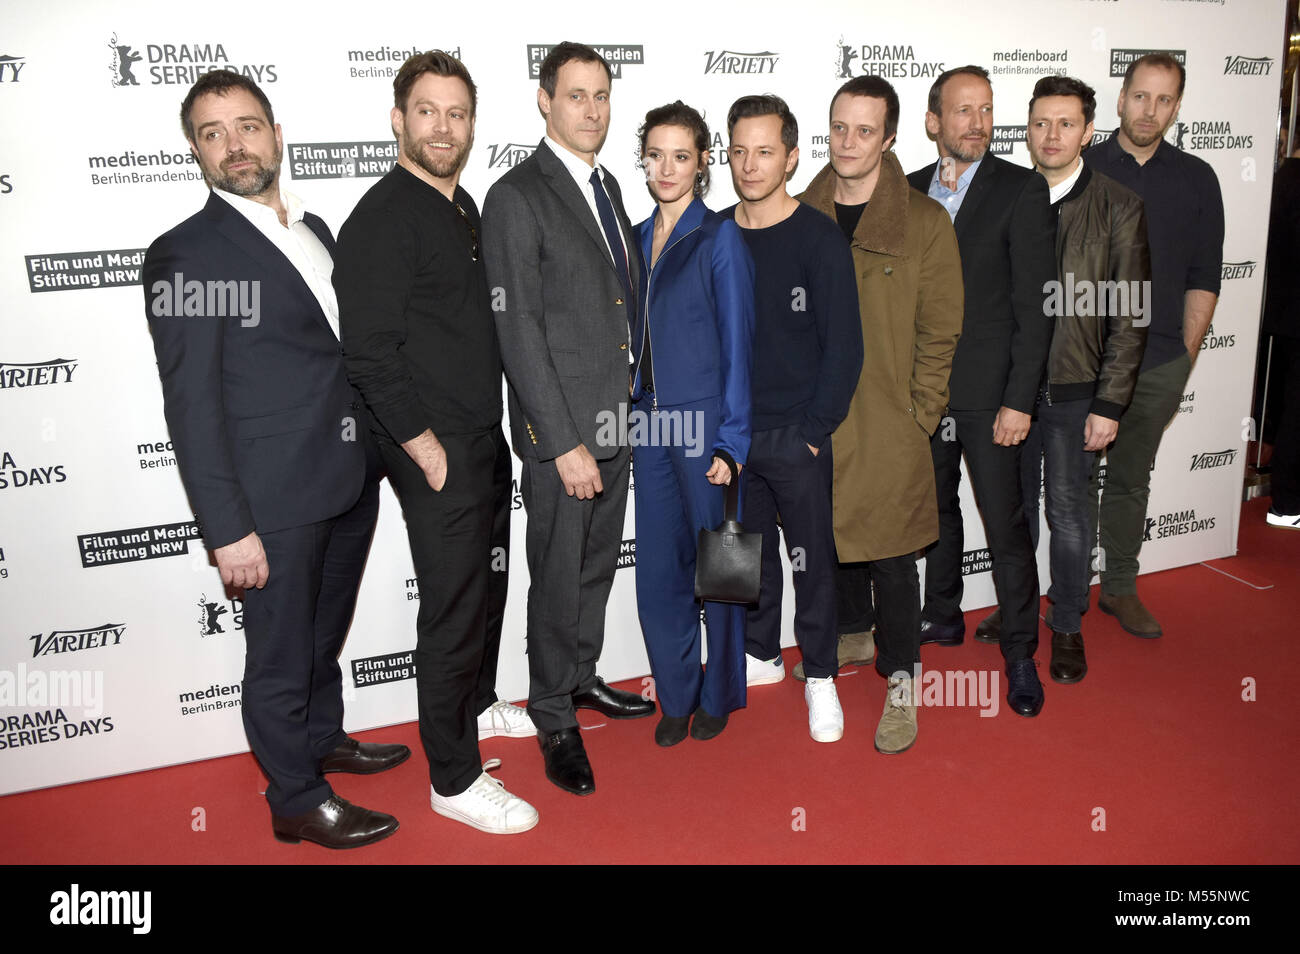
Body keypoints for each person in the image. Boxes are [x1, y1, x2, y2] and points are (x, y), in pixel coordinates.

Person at [143, 70, 406, 849]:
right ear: (195, 150)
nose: (235, 145)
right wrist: (228, 529)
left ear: (276, 133)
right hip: (273, 500)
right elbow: (190, 407)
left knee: (323, 633)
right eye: (213, 132)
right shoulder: (185, 256)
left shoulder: (313, 230)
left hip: (348, 479)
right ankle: (294, 796)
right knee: (280, 653)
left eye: (248, 125)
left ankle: (320, 738)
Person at [334, 51, 537, 834]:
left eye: (457, 113)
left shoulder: (465, 206)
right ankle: (451, 779)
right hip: (435, 448)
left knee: (486, 590)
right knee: (451, 611)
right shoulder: (382, 217)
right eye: (427, 111)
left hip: (481, 437)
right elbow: (370, 352)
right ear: (398, 120)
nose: (443, 127)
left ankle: (479, 705)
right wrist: (421, 443)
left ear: (472, 124)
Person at [481, 42, 654, 797]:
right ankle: (552, 710)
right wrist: (560, 442)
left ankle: (581, 677)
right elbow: (517, 331)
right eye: (576, 95)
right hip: (567, 439)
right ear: (545, 102)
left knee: (592, 566)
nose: (591, 110)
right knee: (555, 574)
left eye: (602, 96)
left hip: (617, 425)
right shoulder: (517, 196)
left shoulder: (608, 185)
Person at [798, 75, 963, 752]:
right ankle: (851, 633)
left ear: (891, 137)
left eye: (865, 130)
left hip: (890, 422)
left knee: (895, 558)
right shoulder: (797, 212)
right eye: (840, 127)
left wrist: (920, 413)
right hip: (816, 419)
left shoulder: (924, 221)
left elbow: (942, 328)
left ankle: (903, 681)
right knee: (831, 541)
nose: (849, 142)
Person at [906, 65, 1056, 717]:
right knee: (934, 513)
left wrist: (1019, 400)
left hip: (992, 394)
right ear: (934, 120)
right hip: (921, 393)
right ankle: (942, 616)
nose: (977, 123)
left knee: (1007, 524)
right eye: (962, 111)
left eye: (986, 110)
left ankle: (1021, 651)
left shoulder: (1021, 190)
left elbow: (1035, 306)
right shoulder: (905, 188)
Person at [724, 94, 863, 743]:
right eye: (739, 151)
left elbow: (845, 345)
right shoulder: (712, 235)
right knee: (737, 555)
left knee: (812, 562)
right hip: (731, 436)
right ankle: (756, 655)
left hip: (796, 434)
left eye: (765, 151)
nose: (750, 165)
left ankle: (822, 675)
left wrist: (813, 433)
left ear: (790, 157)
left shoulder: (817, 237)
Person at [1084, 53, 1224, 636]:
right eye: (1141, 96)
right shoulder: (1079, 164)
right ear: (1121, 98)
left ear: (1177, 107)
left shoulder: (1197, 178)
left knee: (1130, 479)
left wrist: (1184, 357)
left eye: (1164, 100)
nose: (1150, 110)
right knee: (1064, 483)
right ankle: (1053, 590)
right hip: (1083, 361)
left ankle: (1119, 586)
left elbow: (1204, 274)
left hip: (1161, 361)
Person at [1016, 74, 1149, 683]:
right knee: (1013, 513)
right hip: (1010, 392)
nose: (1052, 134)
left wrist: (1111, 402)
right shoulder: (1008, 196)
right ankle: (1018, 613)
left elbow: (1131, 314)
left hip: (1077, 393)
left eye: (1066, 123)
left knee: (1069, 518)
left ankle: (1066, 623)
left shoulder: (1119, 205)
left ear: (1089, 131)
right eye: (1041, 122)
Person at [630, 101, 755, 746]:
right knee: (658, 569)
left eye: (682, 155)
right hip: (649, 425)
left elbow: (739, 344)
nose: (668, 167)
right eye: (656, 154)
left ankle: (721, 690)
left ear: (703, 161)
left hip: (706, 424)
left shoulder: (719, 236)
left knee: (721, 566)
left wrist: (733, 442)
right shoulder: (630, 235)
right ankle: (674, 693)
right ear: (643, 158)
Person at [1263, 145, 1300, 530]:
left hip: (1282, 312)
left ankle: (1288, 500)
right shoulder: (1290, 181)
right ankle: (1287, 502)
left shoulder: (1282, 179)